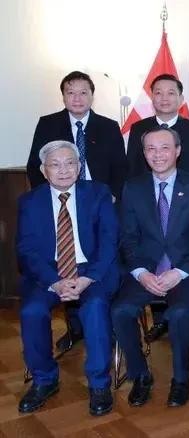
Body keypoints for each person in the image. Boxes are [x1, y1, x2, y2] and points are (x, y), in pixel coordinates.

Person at [112, 126, 189, 409]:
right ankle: (140, 375)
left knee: (181, 313)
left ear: (178, 151)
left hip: (185, 271)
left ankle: (181, 379)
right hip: (145, 269)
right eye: (151, 149)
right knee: (120, 311)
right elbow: (127, 238)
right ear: (143, 154)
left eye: (165, 148)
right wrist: (141, 273)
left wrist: (178, 272)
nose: (158, 154)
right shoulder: (133, 187)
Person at [26, 71, 127, 351]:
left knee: (98, 260)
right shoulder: (48, 124)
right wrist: (49, 200)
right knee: (67, 259)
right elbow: (36, 166)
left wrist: (113, 198)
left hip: (99, 207)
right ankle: (76, 327)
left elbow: (120, 167)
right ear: (63, 96)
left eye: (84, 92)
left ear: (92, 95)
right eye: (71, 92)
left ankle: (103, 324)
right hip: (61, 206)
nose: (78, 98)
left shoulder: (108, 126)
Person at [17, 141, 119, 416]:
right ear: (44, 170)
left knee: (95, 308)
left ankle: (99, 384)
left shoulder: (98, 193)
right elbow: (26, 250)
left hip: (91, 271)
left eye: (69, 163)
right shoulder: (30, 201)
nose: (63, 170)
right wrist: (55, 281)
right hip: (49, 274)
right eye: (55, 165)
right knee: (31, 311)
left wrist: (89, 279)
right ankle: (44, 380)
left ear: (79, 165)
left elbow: (110, 242)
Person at [126, 74, 189, 343]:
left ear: (181, 99)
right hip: (151, 211)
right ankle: (160, 321)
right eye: (158, 92)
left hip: (185, 212)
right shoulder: (139, 129)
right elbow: (134, 170)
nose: (164, 98)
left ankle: (175, 316)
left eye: (171, 92)